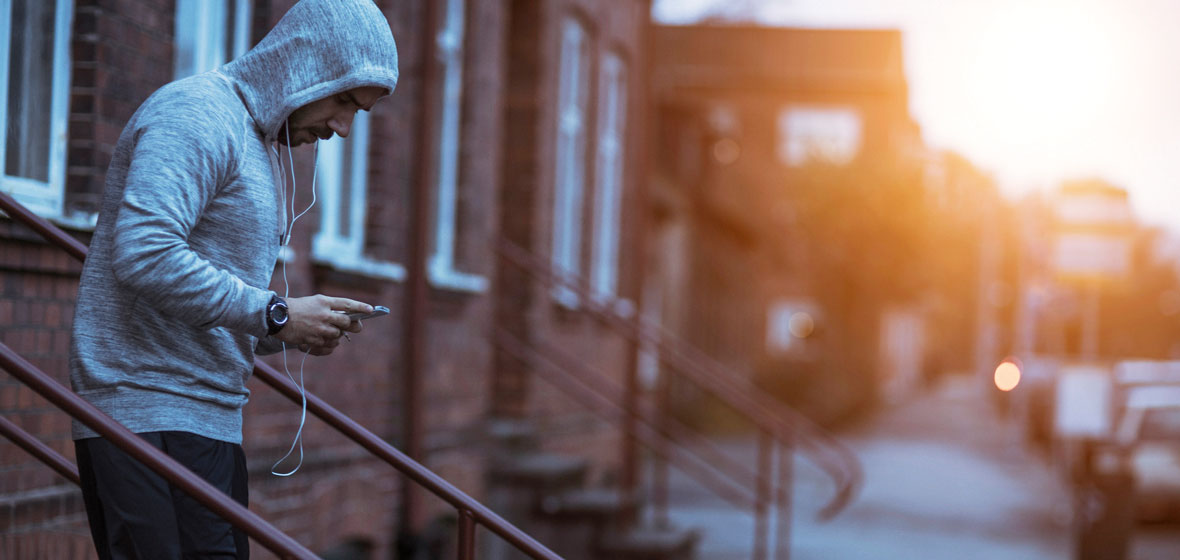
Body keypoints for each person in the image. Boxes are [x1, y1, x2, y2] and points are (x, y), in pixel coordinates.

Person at [67, 0, 399, 557]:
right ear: (306, 64)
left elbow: (212, 305)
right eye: (344, 100)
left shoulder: (258, 143)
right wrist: (276, 312)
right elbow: (144, 253)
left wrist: (292, 327)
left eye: (357, 113)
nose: (342, 127)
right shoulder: (196, 114)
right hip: (147, 413)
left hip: (210, 421)